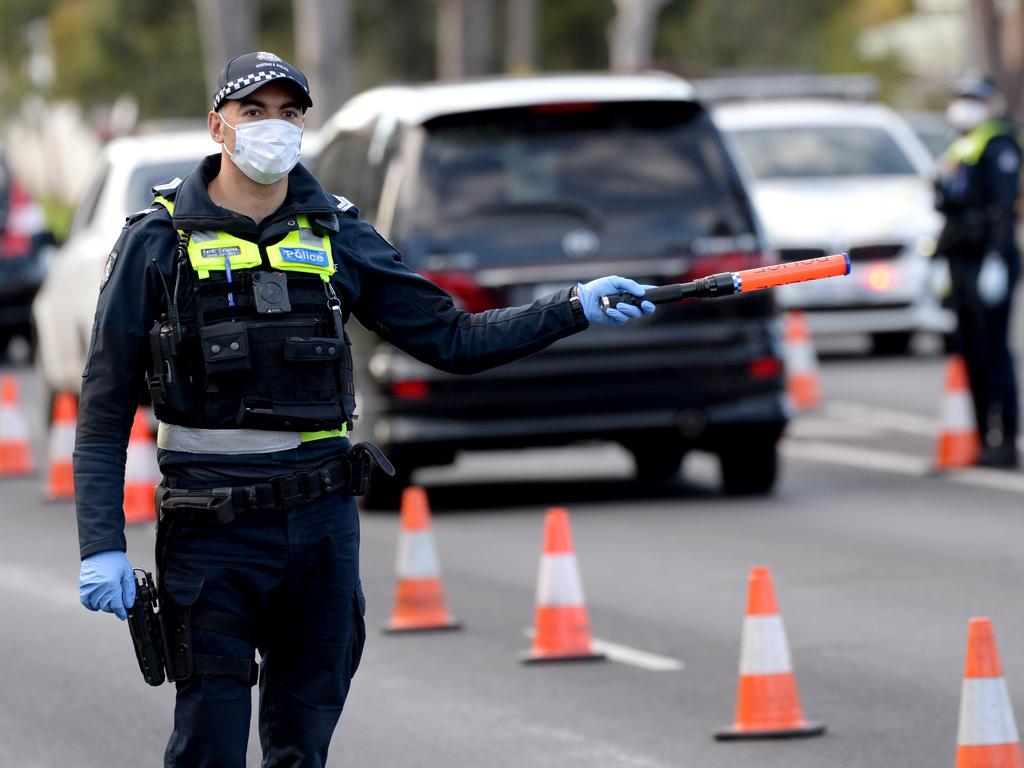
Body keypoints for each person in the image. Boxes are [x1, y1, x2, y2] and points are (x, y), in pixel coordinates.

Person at [74, 51, 654, 767]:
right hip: (210, 528)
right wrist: (100, 542)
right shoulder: (156, 240)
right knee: (210, 745)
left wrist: (571, 308)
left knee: (302, 745)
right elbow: (102, 410)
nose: (273, 128)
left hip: (320, 528)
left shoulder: (337, 233)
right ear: (216, 126)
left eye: (290, 114)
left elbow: (452, 337)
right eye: (254, 112)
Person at [935, 74, 1021, 468]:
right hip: (961, 259)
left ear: (991, 103)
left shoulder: (999, 143)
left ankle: (1006, 438)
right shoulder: (960, 146)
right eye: (961, 96)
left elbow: (1005, 209)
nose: (964, 104)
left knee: (994, 350)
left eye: (973, 98)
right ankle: (982, 437)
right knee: (969, 351)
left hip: (990, 259)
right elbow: (948, 205)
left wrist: (994, 259)